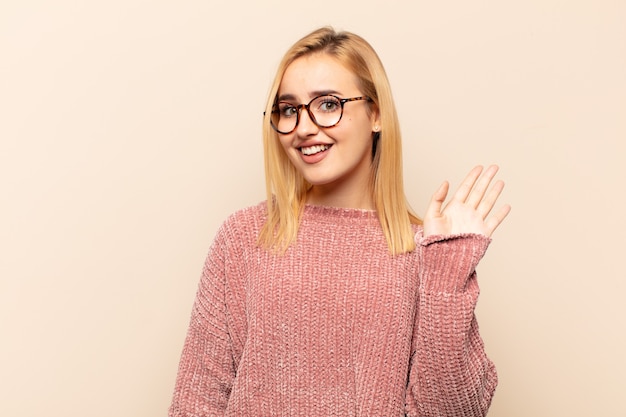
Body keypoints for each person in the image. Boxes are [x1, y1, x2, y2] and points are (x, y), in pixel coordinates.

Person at [169, 26, 510, 417]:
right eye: (289, 109)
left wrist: (447, 275)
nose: (304, 127)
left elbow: (452, 411)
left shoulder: (424, 253)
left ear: (376, 113)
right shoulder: (244, 237)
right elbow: (197, 402)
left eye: (328, 104)